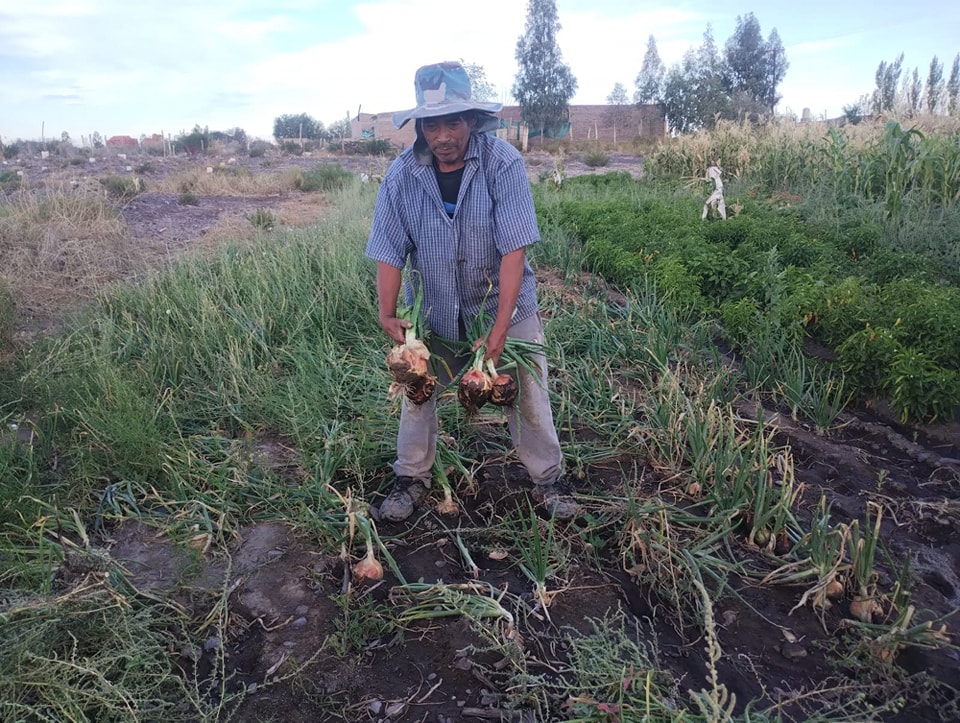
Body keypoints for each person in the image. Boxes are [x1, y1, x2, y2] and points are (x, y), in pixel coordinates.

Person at [364, 61, 577, 523]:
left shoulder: (503, 163)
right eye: (432, 123)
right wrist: (386, 312)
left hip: (503, 303)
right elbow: (388, 249)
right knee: (418, 391)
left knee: (527, 392)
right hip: (437, 307)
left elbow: (513, 252)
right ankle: (410, 478)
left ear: (472, 121)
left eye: (453, 122)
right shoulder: (401, 176)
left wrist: (500, 329)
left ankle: (549, 480)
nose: (443, 135)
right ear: (420, 125)